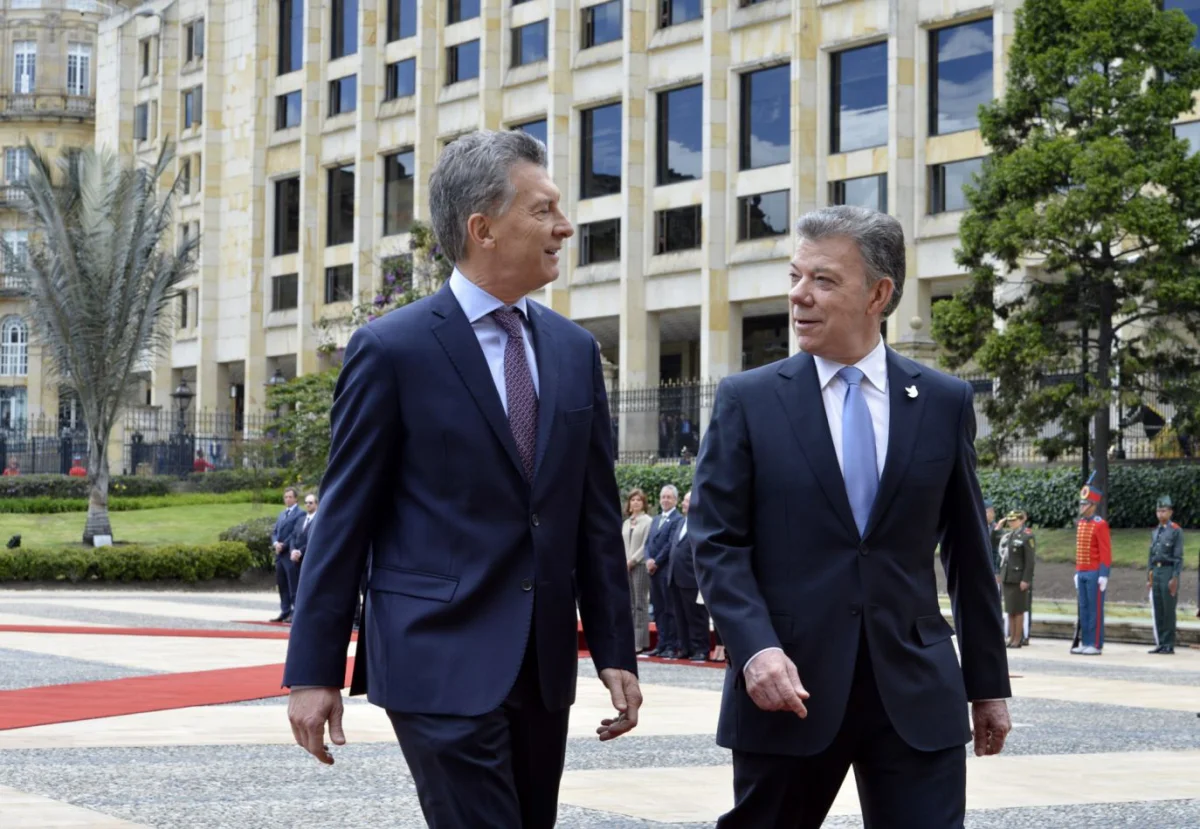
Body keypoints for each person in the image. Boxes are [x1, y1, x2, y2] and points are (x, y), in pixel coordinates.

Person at [282, 129, 641, 829]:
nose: (564, 226)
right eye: (543, 210)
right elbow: (345, 518)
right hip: (434, 656)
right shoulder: (392, 349)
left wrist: (614, 650)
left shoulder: (574, 351)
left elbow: (594, 516)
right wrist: (315, 669)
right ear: (483, 228)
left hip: (541, 667)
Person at [690, 206, 1011, 829]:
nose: (798, 295)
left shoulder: (943, 401)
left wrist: (988, 684)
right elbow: (716, 541)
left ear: (879, 295)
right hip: (788, 688)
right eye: (795, 276)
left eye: (823, 280)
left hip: (915, 692)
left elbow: (970, 554)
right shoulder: (748, 401)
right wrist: (755, 649)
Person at [1073, 472, 1111, 656]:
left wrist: (1104, 574)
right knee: (1084, 608)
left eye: (1085, 504)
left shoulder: (1100, 524)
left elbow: (1105, 551)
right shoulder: (1081, 523)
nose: (1082, 507)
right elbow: (1080, 550)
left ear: (1093, 506)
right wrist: (1077, 571)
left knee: (1095, 609)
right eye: (1081, 503)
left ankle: (1095, 643)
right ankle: (1085, 641)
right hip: (1082, 571)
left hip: (1095, 572)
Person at [645, 484, 684, 658]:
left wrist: (656, 561)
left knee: (669, 609)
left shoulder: (677, 519)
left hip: (666, 570)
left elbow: (670, 544)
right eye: (663, 497)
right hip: (653, 571)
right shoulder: (655, 520)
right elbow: (648, 543)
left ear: (675, 500)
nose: (665, 500)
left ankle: (671, 645)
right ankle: (661, 643)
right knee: (658, 609)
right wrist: (648, 559)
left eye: (669, 497)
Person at [1147, 495, 1183, 655]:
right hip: (1156, 571)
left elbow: (1178, 557)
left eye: (1163, 511)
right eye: (1158, 511)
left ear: (1170, 512)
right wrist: (1149, 576)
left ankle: (1168, 643)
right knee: (1158, 608)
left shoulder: (1175, 531)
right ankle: (1160, 642)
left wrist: (1175, 577)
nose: (1160, 514)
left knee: (1168, 609)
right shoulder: (1155, 532)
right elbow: (1151, 556)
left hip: (1168, 571)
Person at [998, 509, 1035, 649]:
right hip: (1008, 577)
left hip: (1019, 578)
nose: (1011, 523)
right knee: (1010, 610)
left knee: (1018, 610)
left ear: (1021, 520)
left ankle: (1017, 639)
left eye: (1014, 520)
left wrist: (1026, 579)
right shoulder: (1010, 535)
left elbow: (1030, 561)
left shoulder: (1027, 536)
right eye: (1009, 520)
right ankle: (1011, 637)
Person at [622, 488, 653, 653]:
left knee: (640, 604)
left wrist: (633, 560)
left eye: (638, 500)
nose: (635, 503)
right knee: (631, 604)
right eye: (633, 500)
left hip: (639, 565)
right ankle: (631, 638)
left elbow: (646, 544)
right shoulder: (626, 522)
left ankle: (640, 642)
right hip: (626, 565)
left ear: (643, 503)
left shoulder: (647, 521)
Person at [269, 488, 303, 623]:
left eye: (290, 497)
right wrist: (275, 543)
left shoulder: (300, 514)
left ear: (295, 498)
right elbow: (275, 532)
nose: (287, 499)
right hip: (279, 555)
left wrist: (284, 545)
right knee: (282, 584)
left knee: (292, 584)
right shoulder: (282, 514)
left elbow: (295, 533)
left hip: (289, 554)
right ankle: (285, 611)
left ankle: (294, 612)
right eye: (285, 497)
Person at [289, 493, 319, 567]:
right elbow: (293, 536)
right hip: (295, 560)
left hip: (310, 561)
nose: (308, 505)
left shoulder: (319, 521)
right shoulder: (300, 519)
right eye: (306, 503)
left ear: (316, 504)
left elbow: (315, 540)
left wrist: (300, 552)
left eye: (310, 503)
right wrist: (293, 550)